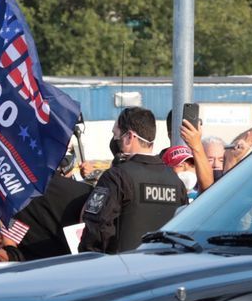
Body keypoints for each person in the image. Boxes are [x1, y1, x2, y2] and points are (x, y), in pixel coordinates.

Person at [79, 108, 186, 254]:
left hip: (125, 268)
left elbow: (97, 227)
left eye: (115, 135)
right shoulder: (175, 181)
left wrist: (89, 257)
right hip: (165, 268)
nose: (114, 140)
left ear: (129, 136)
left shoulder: (116, 177)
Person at [12, 143, 91, 261]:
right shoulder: (85, 192)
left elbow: (12, 237)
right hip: (74, 265)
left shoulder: (14, 195)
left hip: (33, 267)